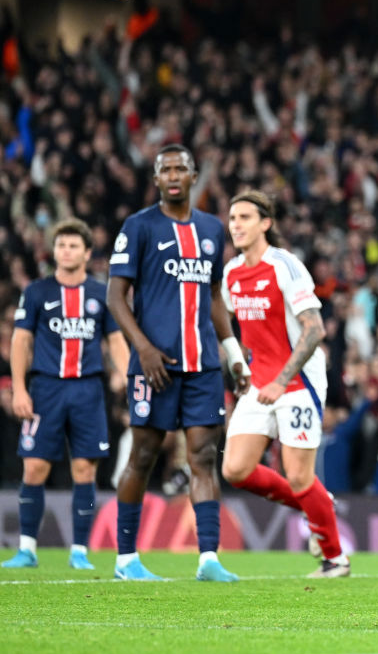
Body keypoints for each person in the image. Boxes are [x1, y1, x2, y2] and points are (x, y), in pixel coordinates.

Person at [107, 144, 249, 582]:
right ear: (156, 179)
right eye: (165, 169)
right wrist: (143, 349)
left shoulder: (211, 229)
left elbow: (212, 297)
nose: (172, 175)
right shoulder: (138, 226)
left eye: (180, 169)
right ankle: (126, 559)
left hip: (203, 364)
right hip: (157, 365)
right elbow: (115, 296)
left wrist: (234, 354)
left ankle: (208, 558)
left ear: (192, 177)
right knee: (145, 455)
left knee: (204, 457)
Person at [217, 190, 349, 578]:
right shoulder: (231, 273)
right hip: (259, 382)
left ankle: (334, 557)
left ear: (266, 224)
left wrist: (281, 381)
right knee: (236, 469)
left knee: (297, 475)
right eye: (232, 218)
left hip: (298, 382)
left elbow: (314, 330)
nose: (236, 224)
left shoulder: (285, 265)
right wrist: (238, 362)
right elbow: (228, 320)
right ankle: (318, 502)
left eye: (245, 217)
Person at [2, 219, 129, 570]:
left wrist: (126, 375)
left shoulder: (101, 293)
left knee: (85, 468)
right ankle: (27, 549)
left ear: (87, 253)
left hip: (88, 388)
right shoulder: (38, 292)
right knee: (35, 466)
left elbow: (116, 341)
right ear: (54, 251)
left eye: (73, 246)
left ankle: (79, 551)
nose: (66, 251)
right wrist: (19, 388)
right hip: (46, 388)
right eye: (61, 246)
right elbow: (21, 341)